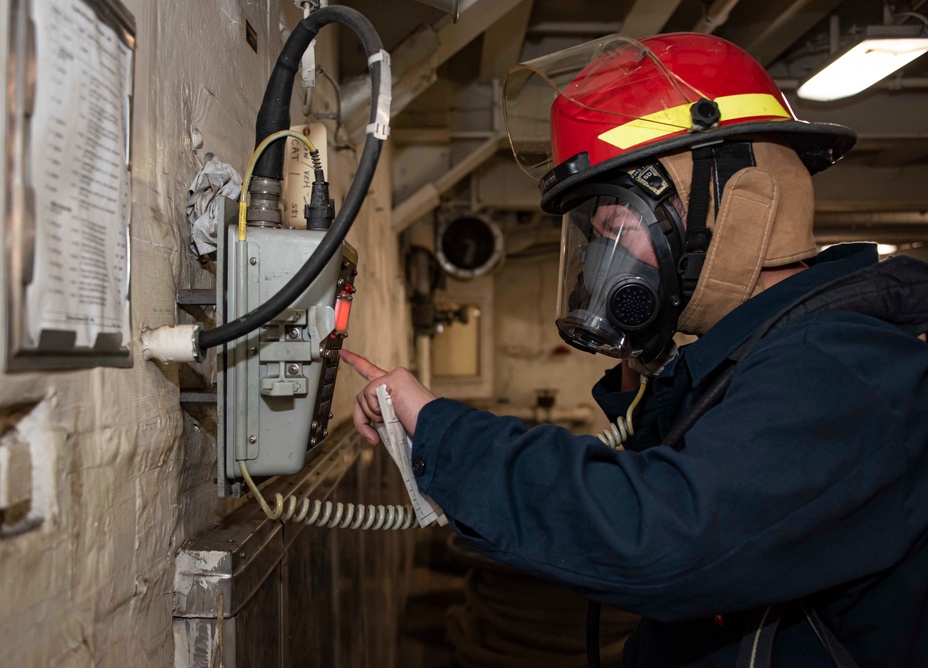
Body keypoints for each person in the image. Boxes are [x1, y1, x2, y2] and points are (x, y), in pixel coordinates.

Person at [341, 32, 928, 667]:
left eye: (618, 229)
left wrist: (439, 430)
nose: (605, 266)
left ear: (741, 208)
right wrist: (649, 379)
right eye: (597, 241)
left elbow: (662, 537)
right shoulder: (764, 361)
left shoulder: (843, 369)